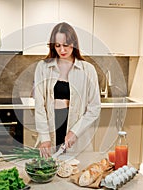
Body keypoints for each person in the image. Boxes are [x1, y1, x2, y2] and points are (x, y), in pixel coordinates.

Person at [34, 22, 101, 158]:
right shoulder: (42, 67)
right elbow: (39, 106)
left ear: (73, 44)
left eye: (66, 45)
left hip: (76, 130)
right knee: (50, 171)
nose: (62, 50)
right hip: (51, 127)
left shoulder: (88, 70)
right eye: (57, 46)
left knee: (74, 172)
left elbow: (94, 108)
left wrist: (75, 132)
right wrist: (45, 137)